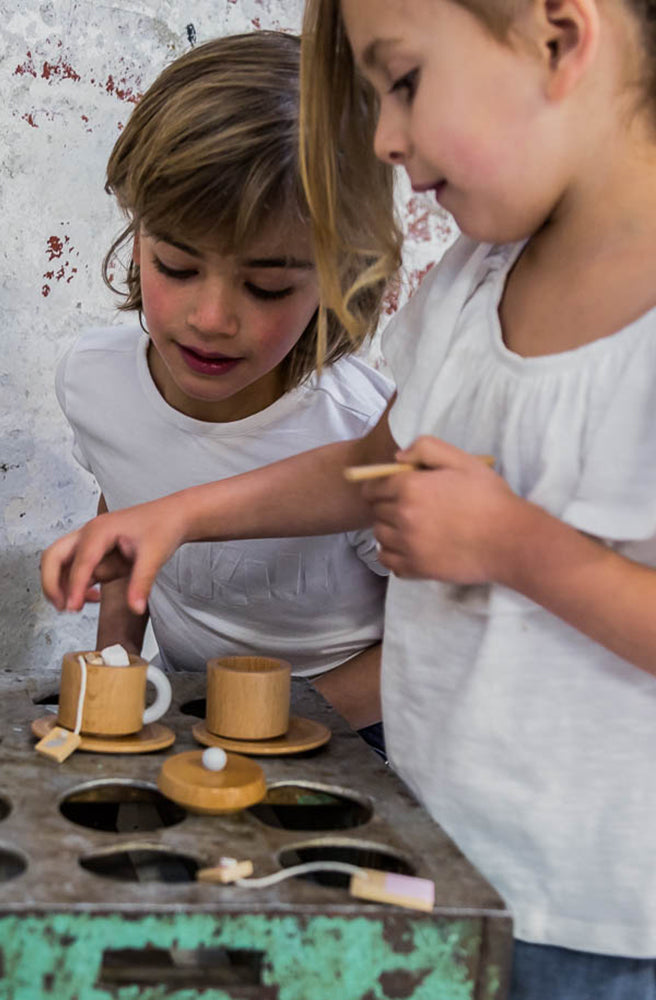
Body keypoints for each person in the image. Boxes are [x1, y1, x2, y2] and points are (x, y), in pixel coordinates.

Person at [42, 0, 656, 996]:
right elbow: (375, 462)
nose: (382, 140)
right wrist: (178, 513)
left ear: (558, 34)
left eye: (401, 82)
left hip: (591, 909)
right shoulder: (476, 277)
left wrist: (513, 545)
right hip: (427, 846)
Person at [55, 31, 399, 738]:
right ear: (136, 232)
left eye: (268, 285)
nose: (212, 319)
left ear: (336, 273)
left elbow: (435, 644)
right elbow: (127, 502)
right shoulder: (94, 382)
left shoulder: (362, 430)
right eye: (176, 267)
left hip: (357, 729)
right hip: (193, 713)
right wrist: (115, 658)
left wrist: (263, 724)